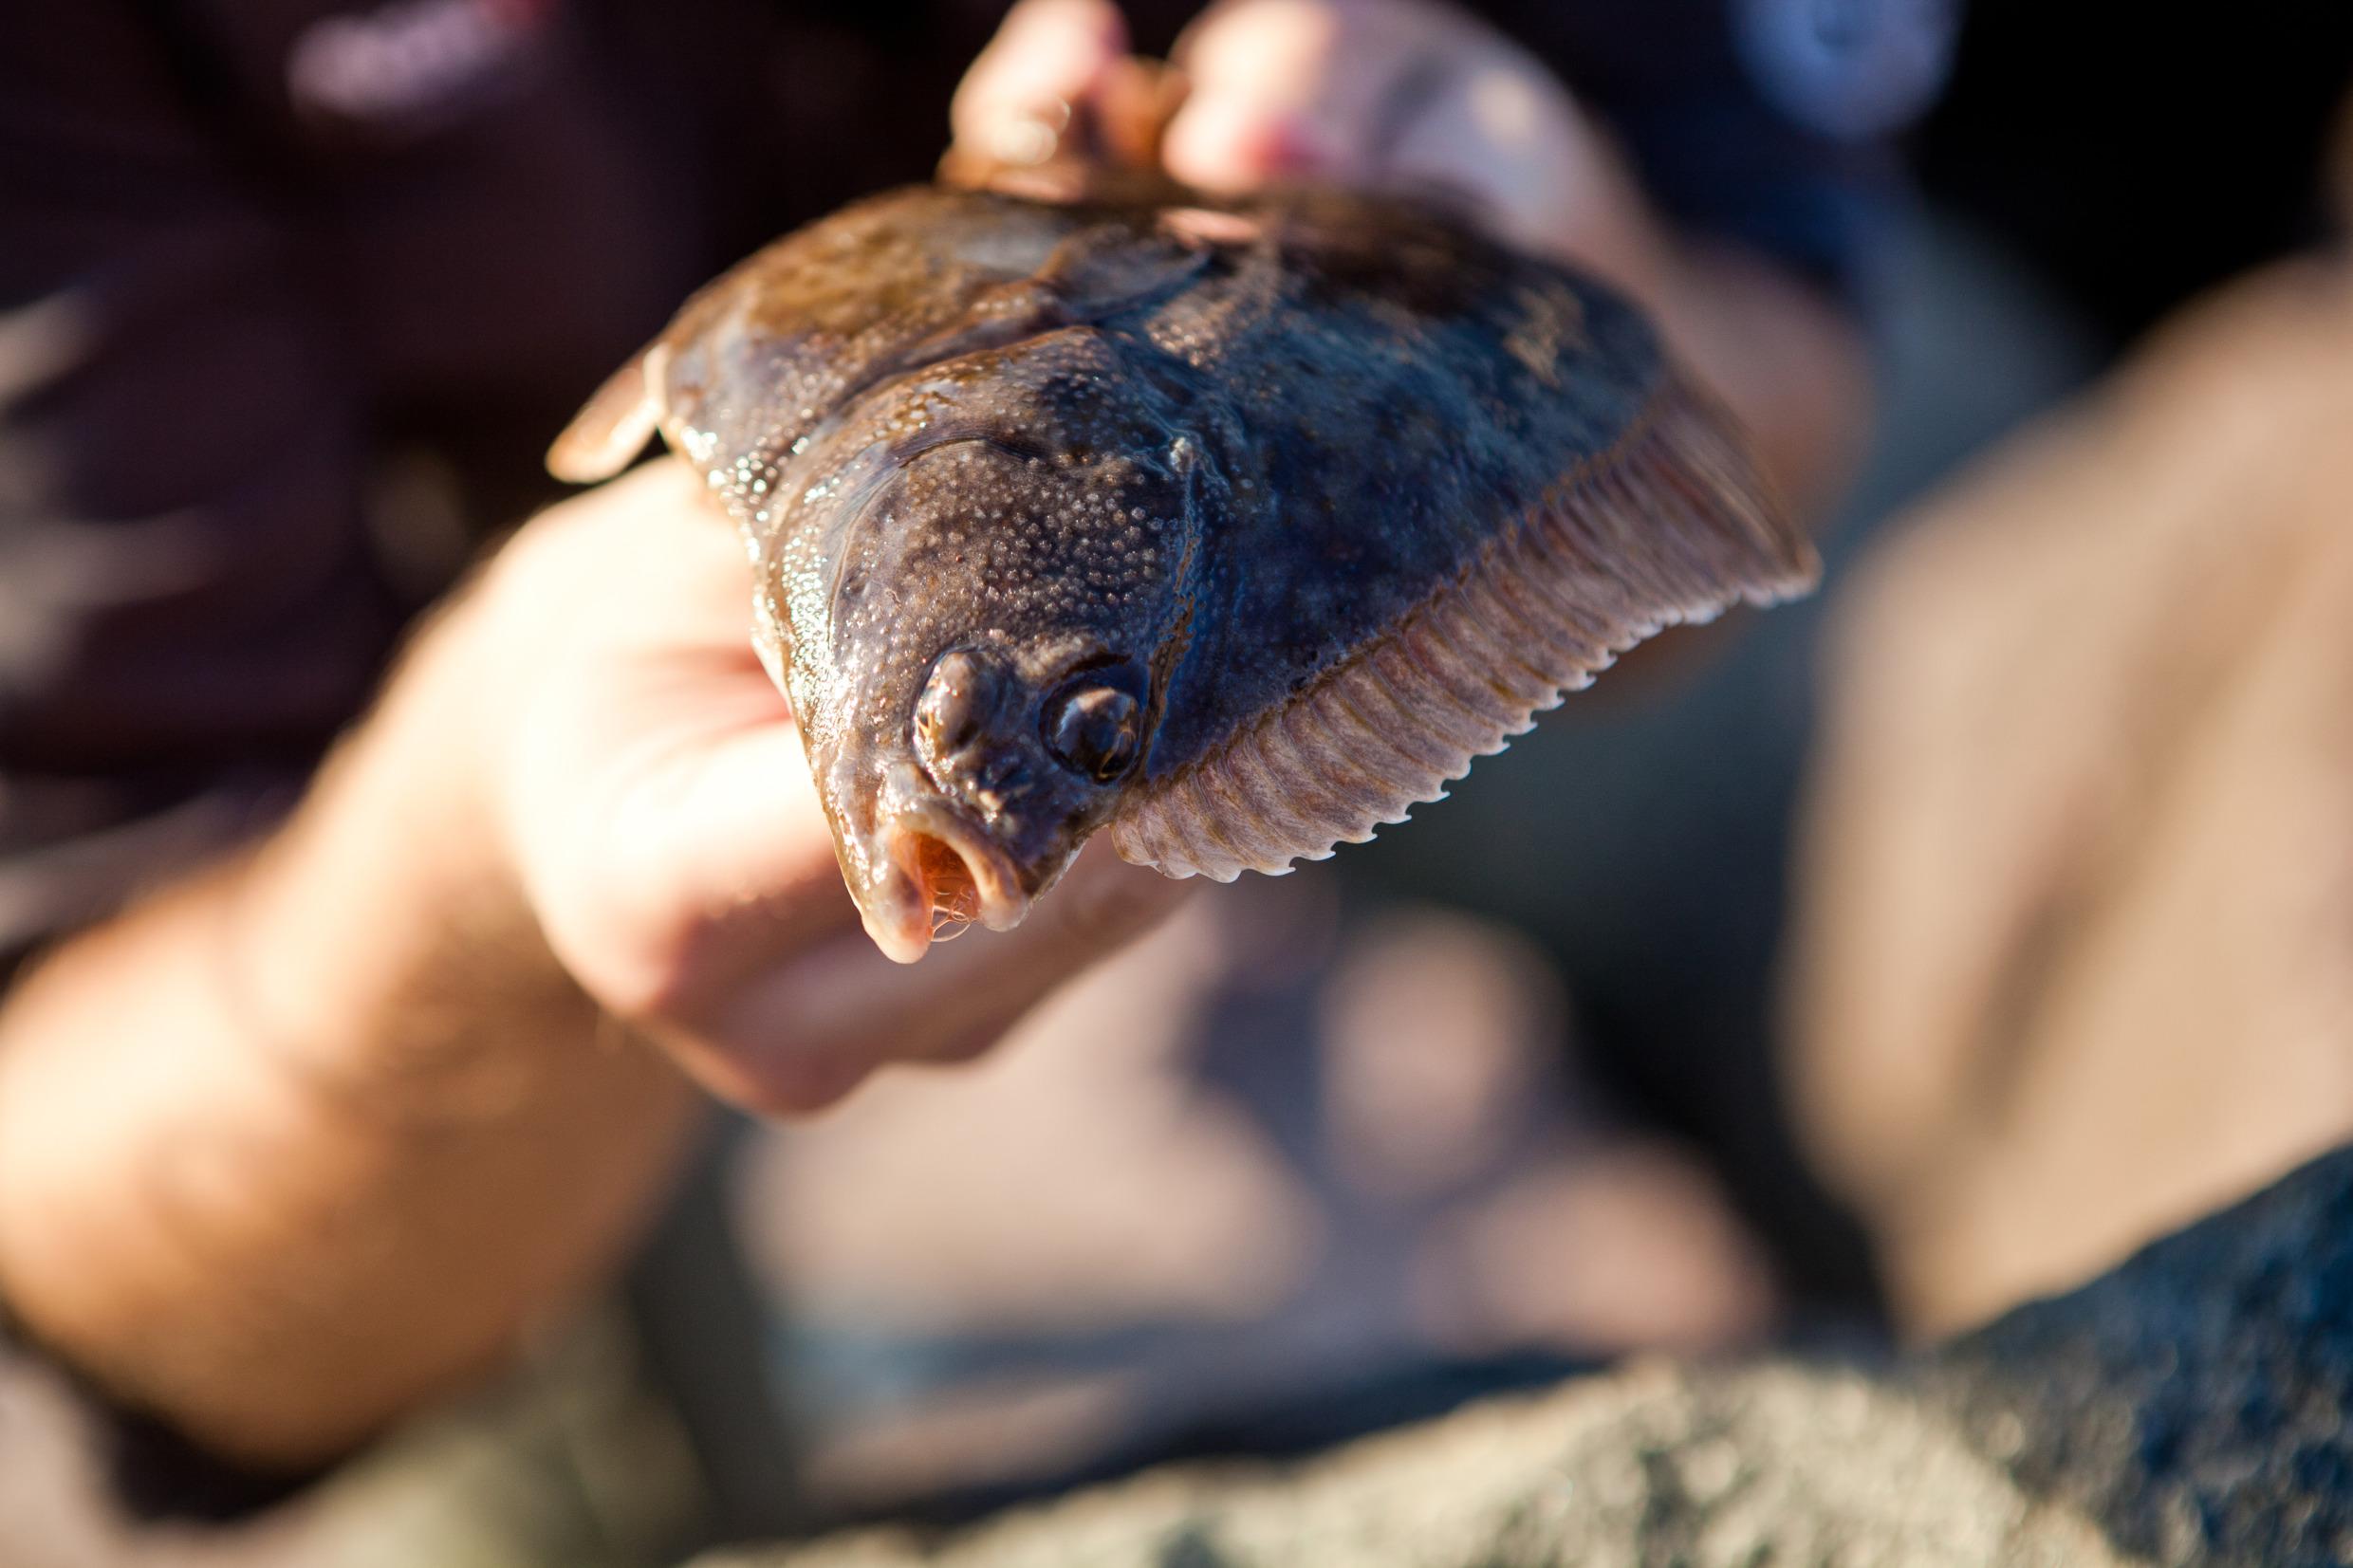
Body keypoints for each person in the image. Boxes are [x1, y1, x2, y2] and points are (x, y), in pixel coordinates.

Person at [0, 0, 1909, 1554]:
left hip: (1300, 383)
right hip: (425, 690)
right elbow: (68, 1186)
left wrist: (1550, 219)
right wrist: (460, 856)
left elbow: (1766, 375)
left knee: (1871, 641)